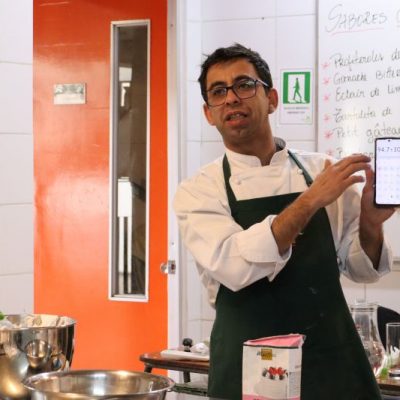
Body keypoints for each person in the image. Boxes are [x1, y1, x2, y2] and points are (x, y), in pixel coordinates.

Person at [173, 43, 395, 400]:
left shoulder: (322, 170)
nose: (232, 98)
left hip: (330, 358)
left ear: (272, 99)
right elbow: (236, 267)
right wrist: (310, 200)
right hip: (248, 367)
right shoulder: (198, 190)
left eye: (244, 85)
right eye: (218, 92)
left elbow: (360, 268)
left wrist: (371, 222)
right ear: (208, 113)